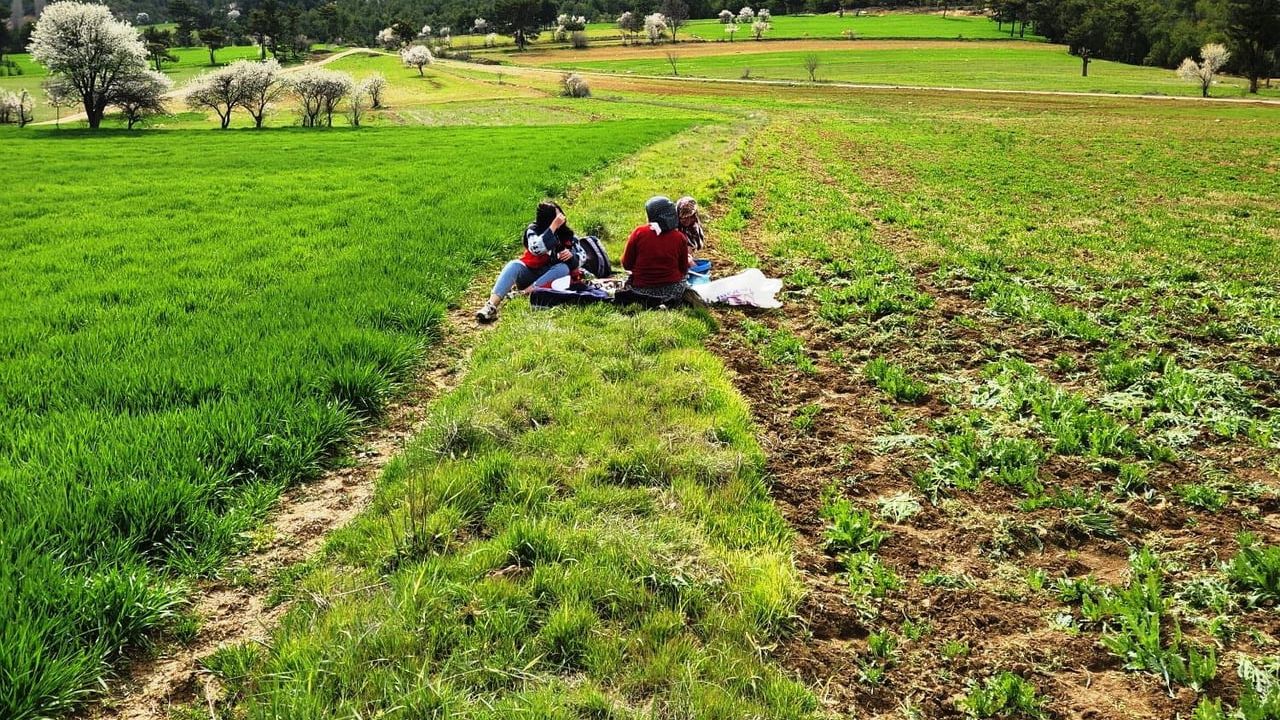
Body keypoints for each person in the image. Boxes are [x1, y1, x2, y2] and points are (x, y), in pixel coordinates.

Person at [476, 201, 579, 323]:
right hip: (530, 272)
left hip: (550, 278)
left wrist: (571, 255)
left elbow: (580, 258)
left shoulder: (567, 234)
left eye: (561, 215)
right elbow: (536, 249)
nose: (561, 219)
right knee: (513, 265)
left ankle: (524, 293)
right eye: (557, 217)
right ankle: (491, 305)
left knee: (563, 268)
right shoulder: (533, 230)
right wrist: (553, 228)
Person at [619, 196, 691, 308]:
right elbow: (683, 269)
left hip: (641, 291)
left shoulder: (639, 233)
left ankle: (650, 303)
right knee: (684, 279)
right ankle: (667, 303)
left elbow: (626, 264)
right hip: (672, 290)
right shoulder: (680, 237)